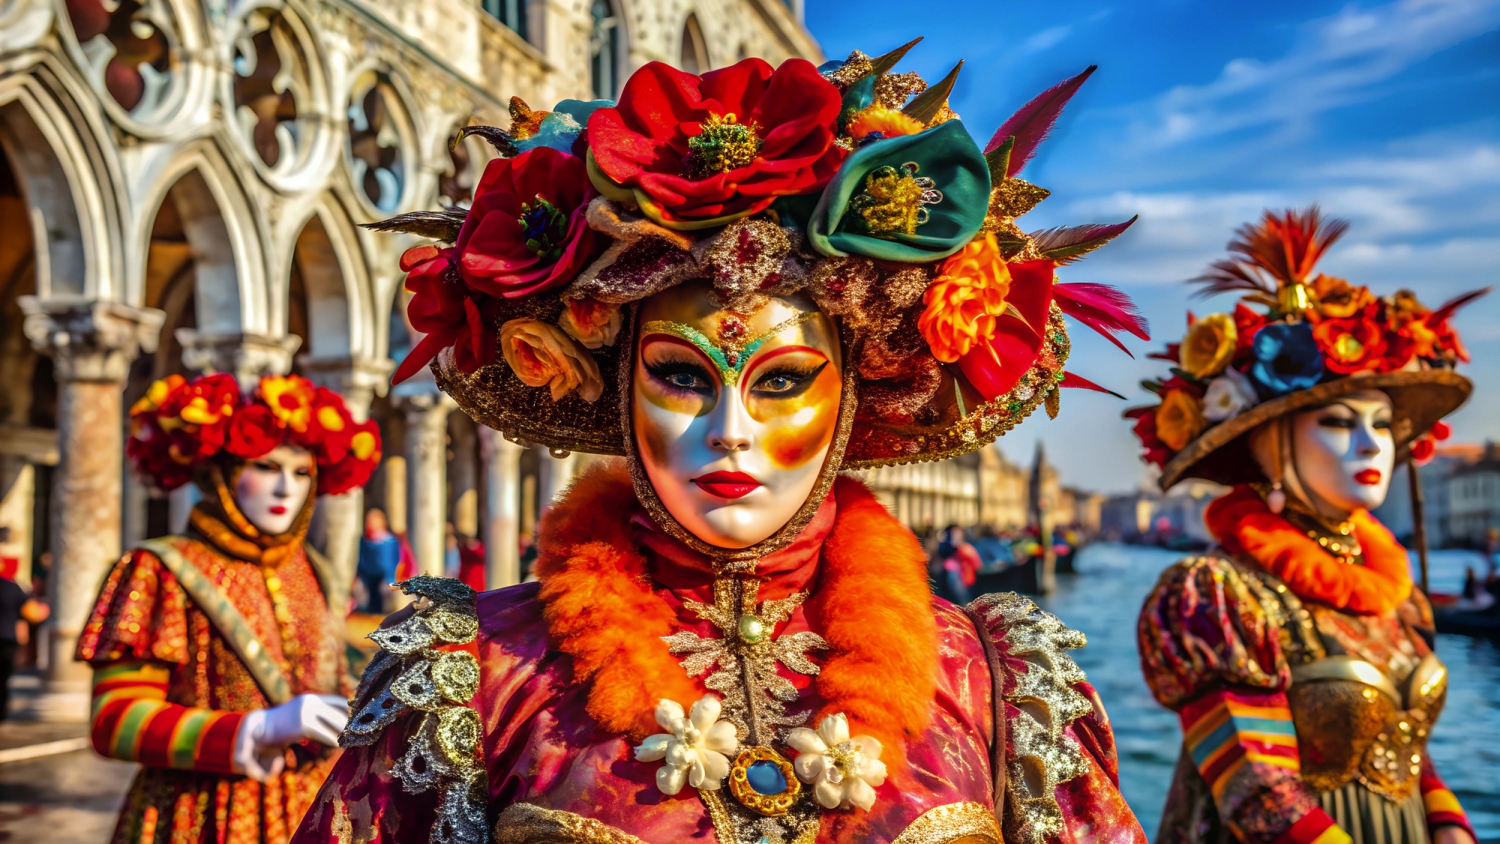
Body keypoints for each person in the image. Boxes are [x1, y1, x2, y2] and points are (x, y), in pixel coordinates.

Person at [293, 44, 1150, 843]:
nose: (729, 432)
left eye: (781, 380)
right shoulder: (477, 675)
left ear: (853, 395)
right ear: (618, 384)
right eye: (681, 376)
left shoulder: (989, 679)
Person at [1128, 208, 1482, 844]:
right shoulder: (1219, 595)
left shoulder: (1393, 596)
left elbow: (1404, 747)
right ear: (1271, 445)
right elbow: (1253, 791)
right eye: (1340, 424)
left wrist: (1451, 827)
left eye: (1382, 426)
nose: (1373, 447)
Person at [77, 373, 381, 844]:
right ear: (221, 473)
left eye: (301, 473)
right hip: (199, 816)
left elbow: (330, 681)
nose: (285, 489)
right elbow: (114, 720)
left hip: (311, 810)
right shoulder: (159, 568)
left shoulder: (312, 569)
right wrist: (253, 729)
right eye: (265, 467)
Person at [357, 508, 400, 612]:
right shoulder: (364, 540)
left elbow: (392, 560)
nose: (371, 524)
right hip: (368, 576)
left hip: (383, 577)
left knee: (383, 602)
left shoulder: (389, 541)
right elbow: (361, 558)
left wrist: (390, 577)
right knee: (371, 600)